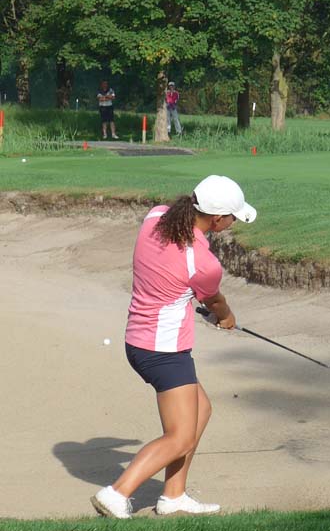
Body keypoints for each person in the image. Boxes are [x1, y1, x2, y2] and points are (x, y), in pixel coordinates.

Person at [90, 175, 257, 519]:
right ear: (216, 219)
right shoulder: (204, 263)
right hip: (163, 351)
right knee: (180, 437)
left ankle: (174, 496)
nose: (232, 223)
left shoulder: (156, 218)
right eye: (232, 218)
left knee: (202, 409)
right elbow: (215, 301)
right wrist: (226, 317)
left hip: (138, 340)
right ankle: (116, 494)